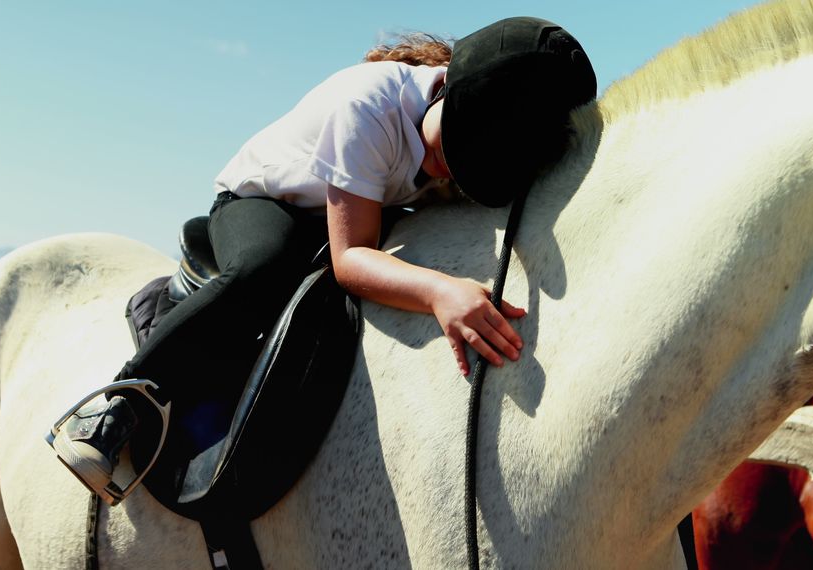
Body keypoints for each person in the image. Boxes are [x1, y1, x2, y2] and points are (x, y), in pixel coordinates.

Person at [50, 16, 597, 504]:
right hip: (265, 204)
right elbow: (351, 259)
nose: (443, 170)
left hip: (349, 208)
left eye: (460, 170)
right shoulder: (367, 110)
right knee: (265, 265)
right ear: (447, 87)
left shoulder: (466, 128)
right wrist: (440, 291)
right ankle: (118, 404)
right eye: (443, 149)